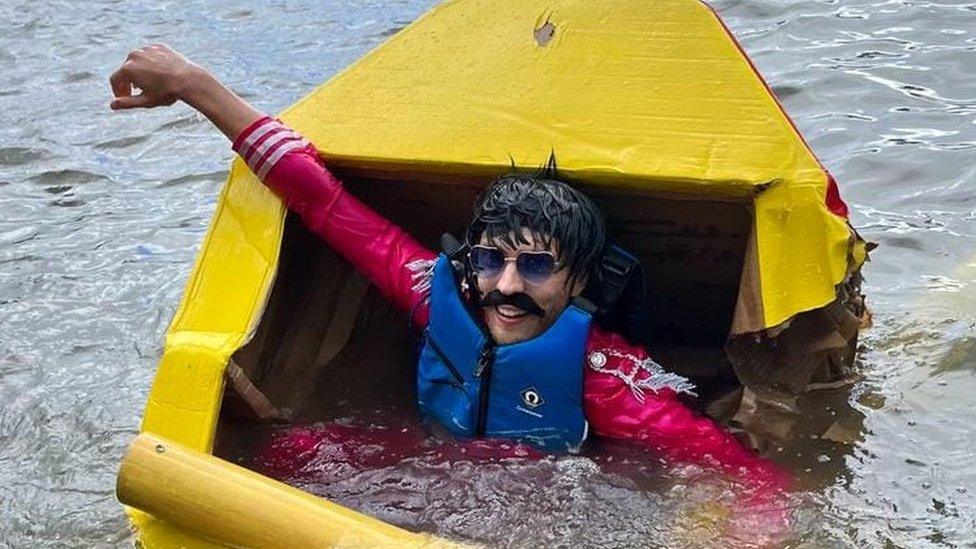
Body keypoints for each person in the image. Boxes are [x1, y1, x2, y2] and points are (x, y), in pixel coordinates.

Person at [110, 44, 790, 520]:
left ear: (580, 278)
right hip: (442, 462)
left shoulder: (606, 376)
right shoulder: (432, 288)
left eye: (538, 265)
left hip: (550, 494)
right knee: (291, 450)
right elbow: (321, 201)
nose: (506, 286)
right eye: (492, 259)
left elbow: (742, 474)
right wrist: (196, 85)